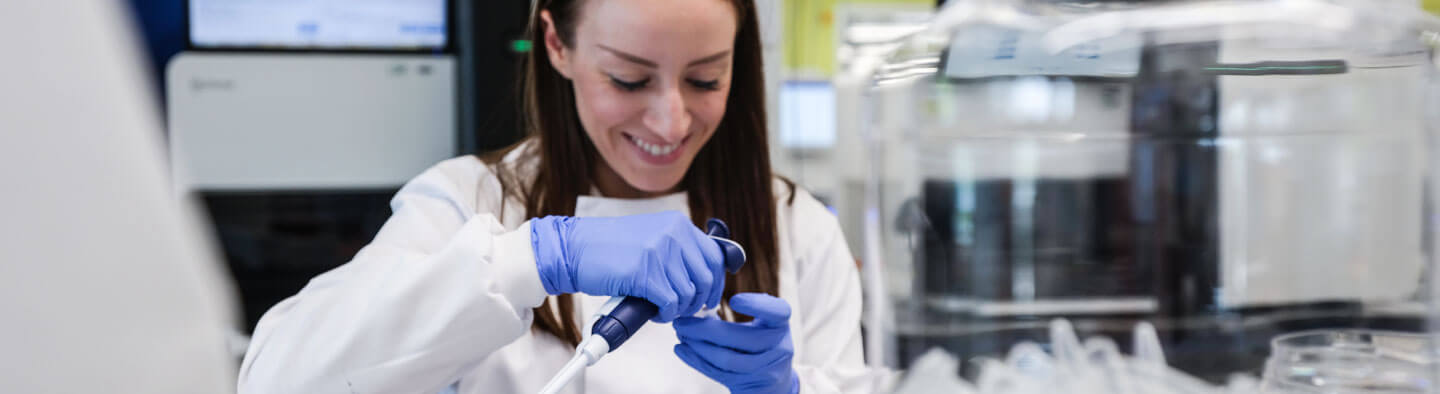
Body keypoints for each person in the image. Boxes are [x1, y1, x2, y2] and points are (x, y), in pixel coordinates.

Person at [237, 0, 868, 393]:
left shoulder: (798, 229)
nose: (670, 121)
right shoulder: (469, 202)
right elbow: (277, 381)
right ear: (557, 44)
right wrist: (530, 259)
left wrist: (786, 391)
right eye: (628, 78)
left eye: (706, 78)